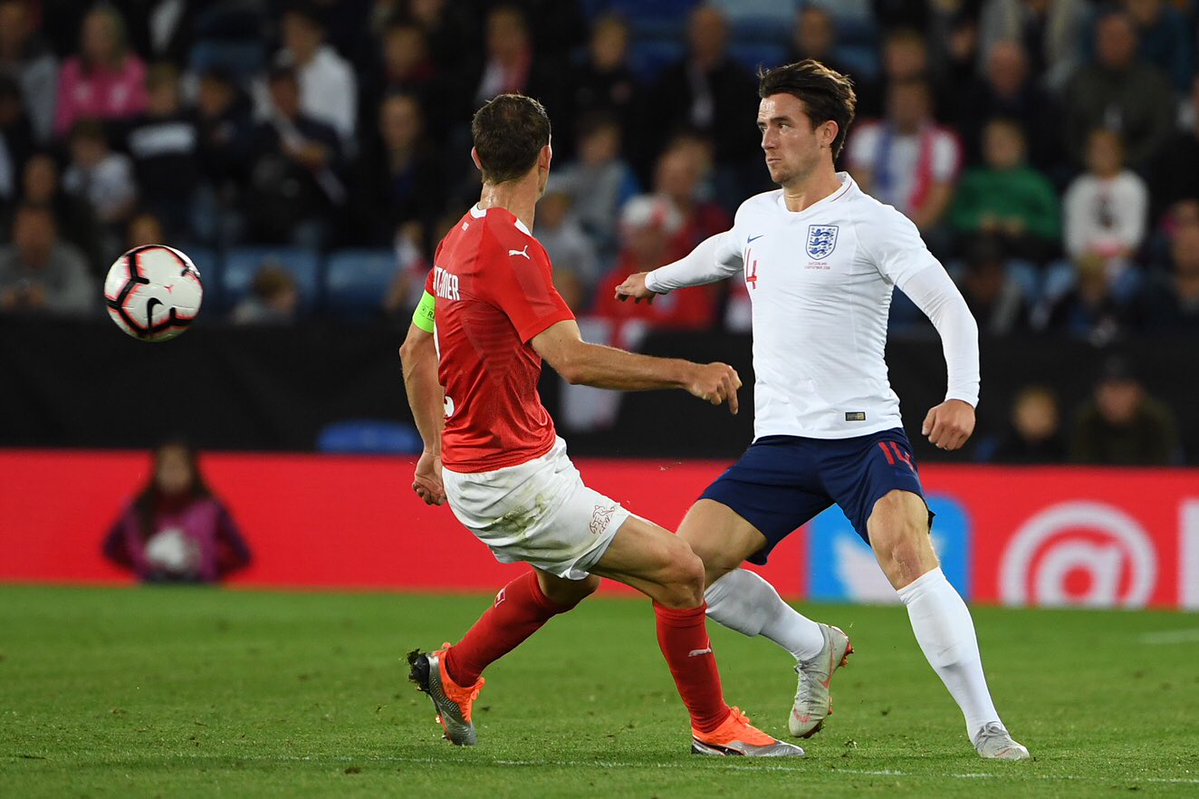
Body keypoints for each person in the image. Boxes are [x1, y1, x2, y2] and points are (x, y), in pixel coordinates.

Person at [615, 60, 1030, 761]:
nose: (767, 139)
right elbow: (718, 255)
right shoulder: (755, 215)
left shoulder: (875, 224)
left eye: (781, 124)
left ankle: (984, 723)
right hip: (779, 442)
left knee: (907, 554)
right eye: (761, 125)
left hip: (862, 436)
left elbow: (950, 310)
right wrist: (654, 279)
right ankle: (813, 647)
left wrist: (962, 394)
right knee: (682, 568)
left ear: (827, 133)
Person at [399, 93, 800, 758]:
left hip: (508, 459)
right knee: (679, 570)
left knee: (571, 579)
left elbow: (415, 349)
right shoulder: (512, 253)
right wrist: (686, 371)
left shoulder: (456, 238)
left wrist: (431, 448)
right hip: (510, 479)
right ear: (548, 161)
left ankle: (455, 671)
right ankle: (714, 726)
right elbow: (574, 361)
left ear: (476, 159)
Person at [103, 440, 251, 584]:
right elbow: (111, 548)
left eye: (179, 467)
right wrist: (144, 564)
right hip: (154, 587)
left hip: (198, 587)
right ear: (156, 470)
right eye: (167, 467)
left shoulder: (210, 508)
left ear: (192, 471)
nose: (172, 474)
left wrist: (210, 567)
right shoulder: (138, 509)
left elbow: (242, 554)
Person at [1069, 356, 1180, 465]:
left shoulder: (1155, 420)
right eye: (1108, 390)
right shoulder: (1087, 420)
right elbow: (1081, 469)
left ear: (1138, 393)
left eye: (1122, 390)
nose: (1114, 399)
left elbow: (1165, 469)